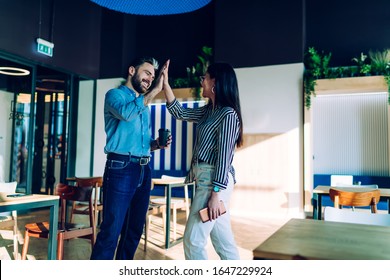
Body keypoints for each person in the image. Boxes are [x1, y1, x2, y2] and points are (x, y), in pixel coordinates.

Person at [161, 60, 243, 260]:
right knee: (224, 244)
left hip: (214, 182)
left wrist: (216, 194)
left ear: (216, 82)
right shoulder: (209, 111)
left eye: (204, 78)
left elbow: (224, 157)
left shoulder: (228, 115)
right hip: (206, 180)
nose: (201, 82)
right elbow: (179, 112)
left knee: (193, 241)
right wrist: (165, 85)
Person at [90, 57, 171, 260]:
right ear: (132, 70)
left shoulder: (144, 104)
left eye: (153, 77)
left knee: (134, 232)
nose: (150, 79)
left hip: (144, 169)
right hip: (121, 168)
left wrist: (156, 144)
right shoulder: (114, 95)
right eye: (147, 73)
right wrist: (155, 91)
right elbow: (126, 114)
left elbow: (140, 142)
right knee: (111, 232)